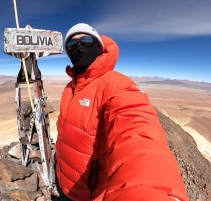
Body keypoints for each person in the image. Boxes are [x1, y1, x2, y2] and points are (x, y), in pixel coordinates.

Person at [55, 23, 189, 201]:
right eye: (71, 45)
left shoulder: (115, 84)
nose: (79, 48)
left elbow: (137, 130)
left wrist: (146, 192)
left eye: (86, 41)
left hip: (91, 195)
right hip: (66, 186)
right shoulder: (70, 87)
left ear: (99, 46)